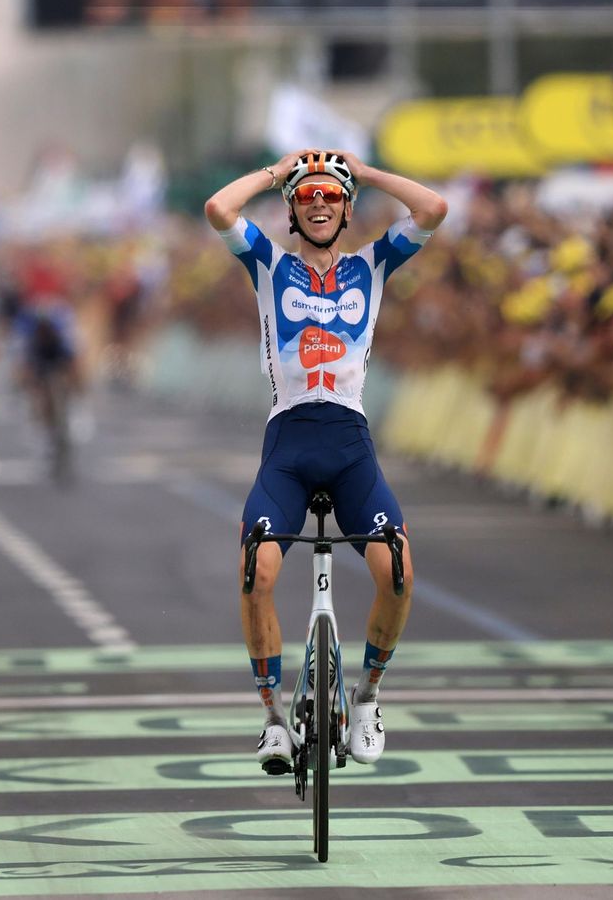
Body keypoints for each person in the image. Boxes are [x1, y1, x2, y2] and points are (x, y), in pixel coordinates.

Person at [204, 148, 446, 772]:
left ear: (347, 210)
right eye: (308, 194)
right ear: (291, 206)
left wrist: (363, 173)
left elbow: (433, 207)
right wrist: (278, 171)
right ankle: (273, 720)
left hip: (350, 446)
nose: (319, 201)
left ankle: (367, 698)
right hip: (287, 444)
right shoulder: (268, 263)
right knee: (255, 572)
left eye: (332, 196)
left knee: (398, 570)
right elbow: (218, 208)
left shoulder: (374, 264)